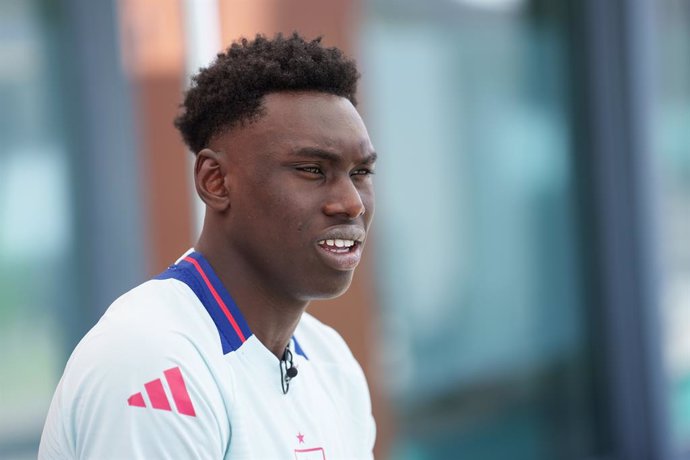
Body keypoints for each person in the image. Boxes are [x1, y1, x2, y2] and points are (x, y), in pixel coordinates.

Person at [39, 33, 377, 459]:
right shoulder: (152, 359)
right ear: (215, 181)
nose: (350, 203)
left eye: (361, 172)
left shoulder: (331, 363)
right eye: (312, 169)